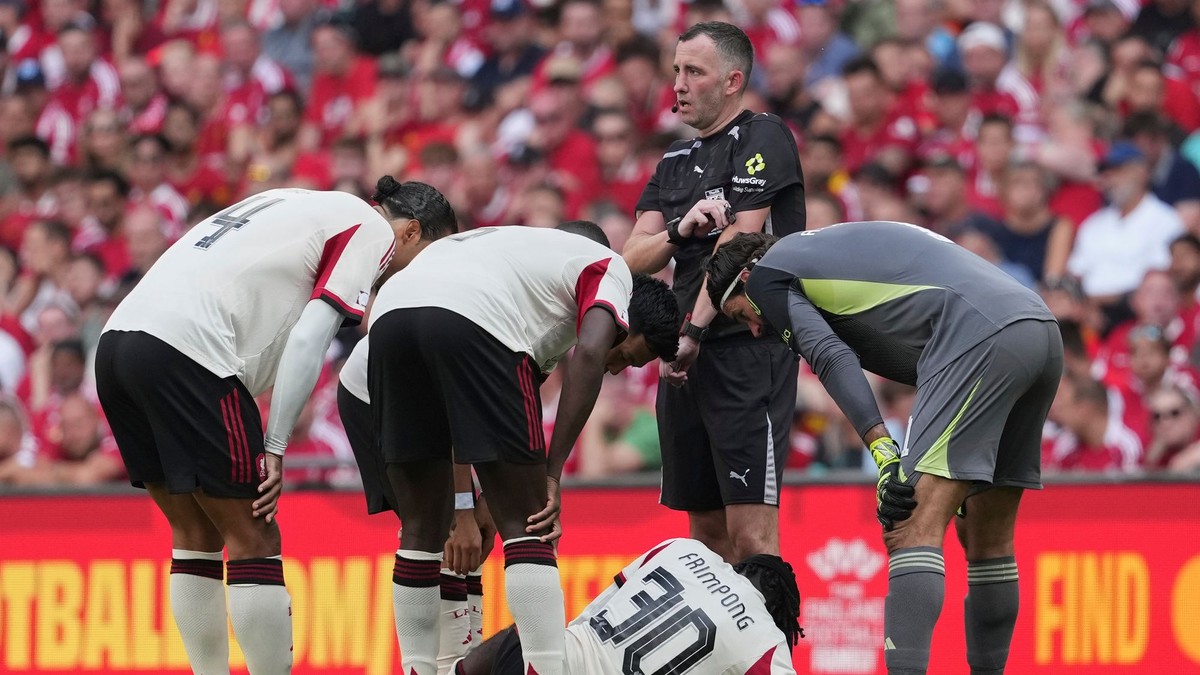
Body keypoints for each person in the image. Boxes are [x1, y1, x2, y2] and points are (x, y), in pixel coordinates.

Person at [94, 179, 449, 675]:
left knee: (193, 533)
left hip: (116, 345)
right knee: (255, 538)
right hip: (190, 353)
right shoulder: (373, 230)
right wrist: (276, 442)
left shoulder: (294, 198)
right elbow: (309, 338)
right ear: (410, 232)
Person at [705, 222, 1063, 675]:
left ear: (747, 277)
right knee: (986, 538)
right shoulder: (824, 250)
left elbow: (832, 358)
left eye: (742, 316)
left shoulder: (768, 274)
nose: (756, 330)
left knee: (908, 525)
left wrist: (884, 452)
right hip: (1039, 328)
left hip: (979, 337)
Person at [367, 225, 680, 675]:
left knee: (420, 528)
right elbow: (591, 352)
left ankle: (416, 668)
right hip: (472, 318)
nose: (617, 370)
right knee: (531, 524)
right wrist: (550, 476)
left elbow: (472, 420)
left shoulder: (524, 279)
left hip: (390, 313)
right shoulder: (613, 271)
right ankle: (546, 668)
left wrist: (467, 503)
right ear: (628, 318)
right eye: (629, 356)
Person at [336, 221, 608, 671]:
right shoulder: (552, 289)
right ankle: (441, 666)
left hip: (418, 364)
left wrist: (483, 510)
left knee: (471, 538)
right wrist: (464, 507)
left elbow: (495, 419)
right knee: (439, 531)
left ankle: (451, 663)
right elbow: (454, 409)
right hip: (374, 392)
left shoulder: (531, 289)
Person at [622, 21, 805, 565]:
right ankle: (725, 654)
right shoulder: (673, 160)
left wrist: (694, 329)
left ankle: (773, 654)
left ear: (731, 81)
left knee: (752, 538)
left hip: (748, 352)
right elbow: (630, 257)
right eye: (676, 70)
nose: (677, 83)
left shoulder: (764, 135)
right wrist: (678, 232)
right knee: (705, 540)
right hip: (685, 359)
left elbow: (740, 240)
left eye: (693, 72)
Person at [452, 538, 803, 675]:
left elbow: (601, 605)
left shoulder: (686, 549)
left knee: (530, 641)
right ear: (779, 614)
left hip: (546, 658)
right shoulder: (766, 641)